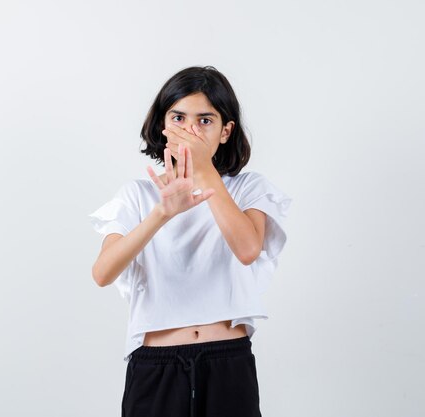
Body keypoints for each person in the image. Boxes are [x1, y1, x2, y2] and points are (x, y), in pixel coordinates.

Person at [88, 65, 292, 417]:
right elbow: (103, 273)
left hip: (227, 361)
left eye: (205, 121)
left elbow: (247, 250)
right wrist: (162, 213)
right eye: (179, 117)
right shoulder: (137, 195)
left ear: (225, 131)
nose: (190, 130)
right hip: (157, 365)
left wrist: (204, 172)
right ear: (163, 124)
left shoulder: (247, 189)